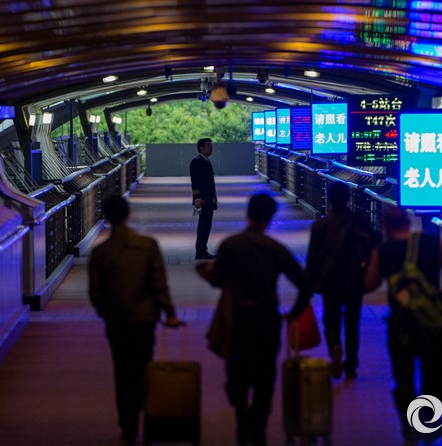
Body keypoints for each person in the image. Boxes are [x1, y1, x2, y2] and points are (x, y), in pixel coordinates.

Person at [198, 193, 312, 446]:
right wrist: (294, 312)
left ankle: (241, 409)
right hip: (267, 319)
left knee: (236, 370)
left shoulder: (231, 245)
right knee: (265, 375)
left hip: (238, 319)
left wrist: (205, 272)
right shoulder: (275, 249)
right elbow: (305, 284)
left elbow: (217, 280)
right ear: (269, 218)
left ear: (248, 214)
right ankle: (258, 428)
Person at [364, 207, 442, 446]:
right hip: (431, 324)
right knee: (431, 375)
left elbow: (370, 283)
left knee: (403, 379)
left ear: (386, 226)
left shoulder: (383, 250)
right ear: (407, 222)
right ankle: (427, 422)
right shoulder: (431, 243)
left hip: (401, 326)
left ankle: (409, 431)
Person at [88, 196, 181, 446]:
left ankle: (127, 423)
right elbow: (159, 283)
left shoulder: (100, 253)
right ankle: (144, 413)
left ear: (106, 217)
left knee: (121, 368)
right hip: (144, 317)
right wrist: (169, 312)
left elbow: (95, 292)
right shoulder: (147, 245)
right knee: (142, 366)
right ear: (128, 214)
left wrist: (106, 312)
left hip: (116, 319)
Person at [305, 181, 379, 380]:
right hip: (354, 279)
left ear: (329, 200)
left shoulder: (320, 226)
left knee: (331, 320)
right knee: (352, 323)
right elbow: (375, 243)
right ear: (348, 198)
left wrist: (308, 285)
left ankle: (334, 347)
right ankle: (351, 364)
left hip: (329, 280)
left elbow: (312, 258)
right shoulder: (359, 222)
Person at [189, 137, 218, 259]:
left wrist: (214, 200)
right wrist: (197, 198)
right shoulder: (197, 162)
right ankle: (200, 251)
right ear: (201, 148)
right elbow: (195, 182)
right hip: (201, 200)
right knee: (203, 225)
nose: (211, 149)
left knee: (206, 225)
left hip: (208, 199)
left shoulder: (206, 161)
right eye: (208, 146)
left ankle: (202, 249)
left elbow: (211, 183)